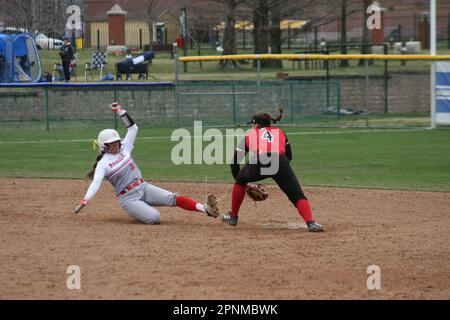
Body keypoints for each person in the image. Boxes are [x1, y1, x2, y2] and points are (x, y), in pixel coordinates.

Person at [75, 102, 220, 224]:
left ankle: (205, 209)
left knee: (173, 198)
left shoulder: (125, 148)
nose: (116, 145)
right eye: (111, 143)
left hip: (143, 187)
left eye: (116, 141)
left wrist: (121, 111)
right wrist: (85, 200)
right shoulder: (103, 164)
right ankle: (137, 211)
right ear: (103, 146)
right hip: (128, 198)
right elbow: (96, 183)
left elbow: (133, 128)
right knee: (154, 218)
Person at [220, 109, 324, 232]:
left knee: (241, 179)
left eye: (252, 124)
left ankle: (233, 217)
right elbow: (289, 156)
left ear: (256, 125)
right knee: (296, 195)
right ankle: (311, 223)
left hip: (261, 161)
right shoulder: (279, 132)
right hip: (281, 162)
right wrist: (280, 172)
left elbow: (234, 162)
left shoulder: (251, 135)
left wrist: (244, 183)